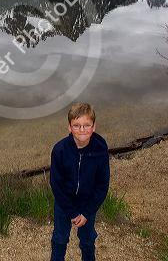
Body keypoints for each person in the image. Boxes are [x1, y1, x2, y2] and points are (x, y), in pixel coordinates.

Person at [50, 102, 110, 261]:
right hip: (64, 202)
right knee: (59, 239)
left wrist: (86, 212)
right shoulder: (60, 150)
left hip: (88, 202)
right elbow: (56, 185)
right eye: (76, 125)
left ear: (94, 126)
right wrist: (72, 212)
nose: (82, 130)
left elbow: (102, 184)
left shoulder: (100, 148)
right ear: (69, 127)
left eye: (86, 125)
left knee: (88, 240)